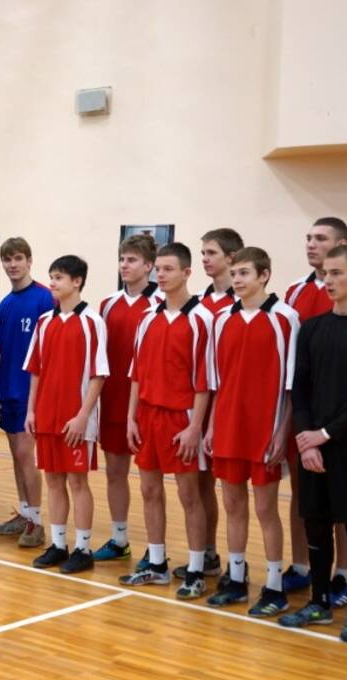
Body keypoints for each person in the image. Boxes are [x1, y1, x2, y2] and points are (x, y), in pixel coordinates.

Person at [280, 245, 347, 642]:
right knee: (316, 526)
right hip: (312, 446)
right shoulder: (312, 329)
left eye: (337, 273)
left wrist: (326, 434)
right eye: (325, 273)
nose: (328, 280)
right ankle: (319, 603)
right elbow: (300, 390)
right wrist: (307, 442)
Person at [203, 247, 299, 615]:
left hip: (266, 429)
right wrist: (212, 426)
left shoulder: (286, 318)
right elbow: (217, 382)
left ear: (264, 275)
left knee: (265, 509)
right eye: (234, 273)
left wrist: (282, 431)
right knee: (233, 505)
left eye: (244, 273)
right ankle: (237, 579)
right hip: (229, 427)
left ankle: (274, 586)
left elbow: (291, 387)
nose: (237, 280)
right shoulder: (221, 320)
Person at [120, 243, 214, 598]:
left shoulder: (202, 319)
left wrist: (195, 427)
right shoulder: (148, 318)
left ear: (187, 273)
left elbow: (206, 381)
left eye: (168, 269)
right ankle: (157, 564)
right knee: (148, 490)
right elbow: (136, 374)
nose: (160, 274)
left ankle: (196, 570)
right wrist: (131, 418)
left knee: (189, 495)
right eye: (158, 268)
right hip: (147, 415)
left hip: (182, 417)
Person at [24, 255, 109, 573]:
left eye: (58, 277)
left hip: (76, 419)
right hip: (46, 415)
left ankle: (83, 549)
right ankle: (59, 545)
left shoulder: (92, 322)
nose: (52, 283)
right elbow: (36, 370)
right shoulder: (44, 321)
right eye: (51, 276)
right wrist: (31, 411)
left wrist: (83, 416)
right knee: (53, 480)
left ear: (77, 281)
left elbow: (99, 374)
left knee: (77, 481)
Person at [94, 233, 160, 564]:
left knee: (151, 483)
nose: (124, 265)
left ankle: (156, 548)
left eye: (131, 260)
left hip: (147, 404)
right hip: (113, 400)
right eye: (122, 259)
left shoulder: (160, 303)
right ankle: (120, 540)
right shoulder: (108, 304)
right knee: (114, 472)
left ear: (149, 266)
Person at [0, 237, 54, 547]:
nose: (12, 265)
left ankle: (37, 523)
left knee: (27, 455)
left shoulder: (44, 299)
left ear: (29, 261)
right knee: (16, 454)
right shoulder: (6, 304)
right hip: (7, 389)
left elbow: (50, 351)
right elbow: (0, 350)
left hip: (31, 391)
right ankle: (25, 513)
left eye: (18, 258)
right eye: (7, 259)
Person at [187, 227, 243, 581]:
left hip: (230, 409)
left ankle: (238, 565)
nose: (205, 259)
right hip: (199, 408)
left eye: (211, 253)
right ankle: (206, 553)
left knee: (233, 493)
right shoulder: (199, 303)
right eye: (203, 253)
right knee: (200, 484)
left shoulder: (242, 304)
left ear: (231, 258)